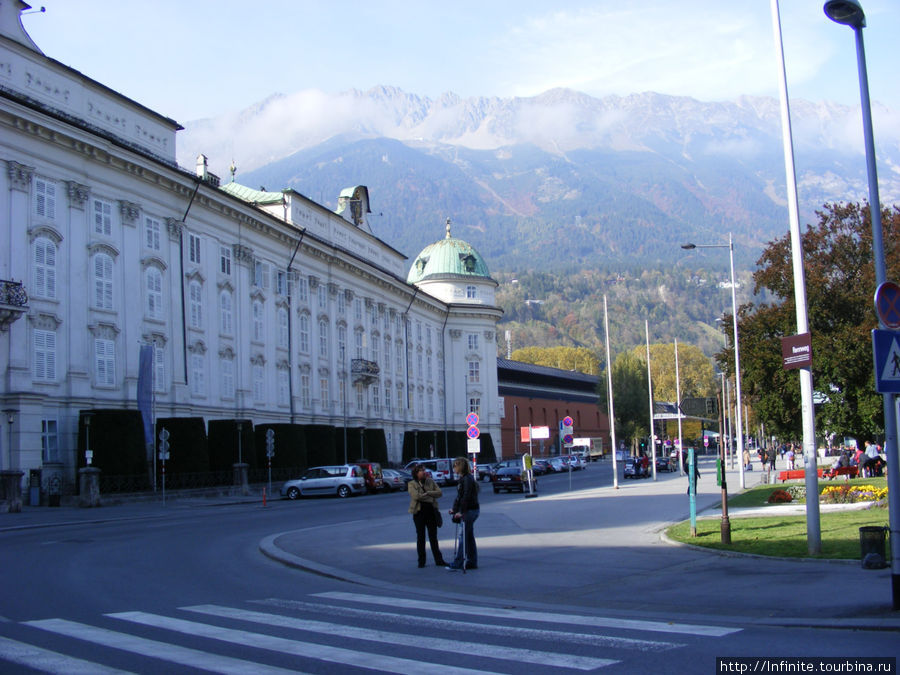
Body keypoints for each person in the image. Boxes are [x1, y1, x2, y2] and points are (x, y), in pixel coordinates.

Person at [408, 464, 445, 568]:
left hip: (431, 512)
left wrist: (427, 493)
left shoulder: (430, 481)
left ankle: (439, 560)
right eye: (421, 471)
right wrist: (430, 496)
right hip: (419, 512)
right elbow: (415, 496)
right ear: (416, 473)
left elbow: (439, 493)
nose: (424, 472)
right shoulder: (412, 484)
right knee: (421, 537)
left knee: (433, 537)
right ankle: (421, 561)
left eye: (424, 470)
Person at [447, 457, 479, 571]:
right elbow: (459, 497)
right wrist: (455, 510)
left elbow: (466, 497)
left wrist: (461, 512)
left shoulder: (466, 479)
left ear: (459, 467)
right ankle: (472, 561)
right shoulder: (464, 479)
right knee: (469, 536)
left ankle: (459, 562)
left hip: (469, 510)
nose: (454, 468)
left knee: (462, 537)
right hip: (471, 509)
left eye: (455, 466)